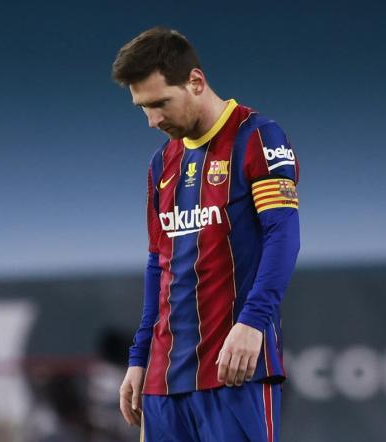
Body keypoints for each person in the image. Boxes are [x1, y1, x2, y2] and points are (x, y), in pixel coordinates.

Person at [112, 27, 300, 442]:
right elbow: (158, 263)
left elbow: (282, 238)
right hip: (163, 382)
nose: (153, 120)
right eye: (142, 107)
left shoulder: (257, 137)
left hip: (235, 370)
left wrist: (253, 323)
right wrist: (140, 356)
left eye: (160, 103)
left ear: (195, 82)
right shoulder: (162, 164)